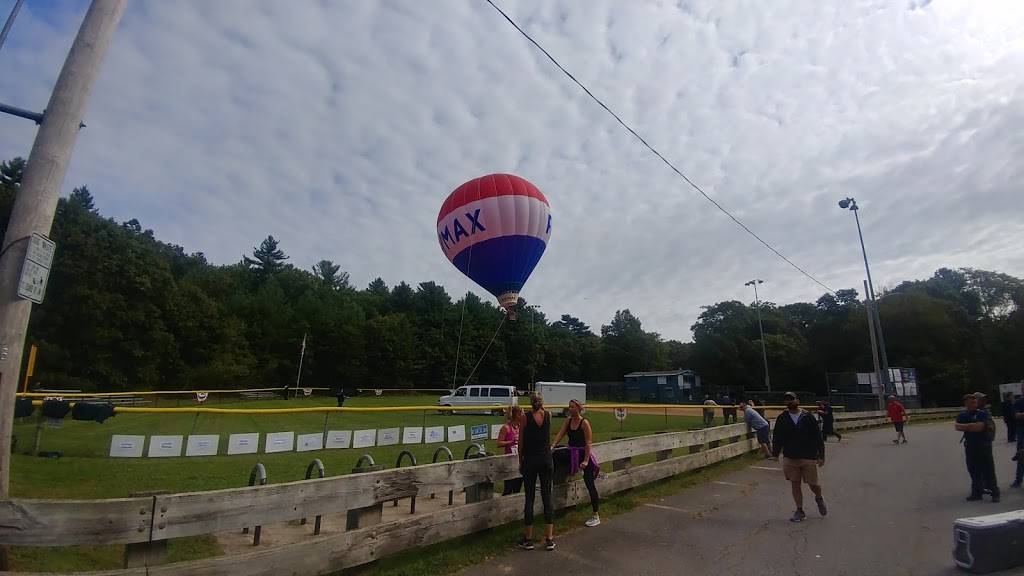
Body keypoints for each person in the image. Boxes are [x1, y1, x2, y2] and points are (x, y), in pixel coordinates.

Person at [772, 391, 827, 522]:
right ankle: (799, 510)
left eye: (791, 399)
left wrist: (821, 455)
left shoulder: (807, 417)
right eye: (786, 400)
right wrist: (775, 453)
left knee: (813, 484)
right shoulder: (782, 418)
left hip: (808, 455)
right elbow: (777, 437)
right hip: (790, 456)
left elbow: (817, 437)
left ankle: (819, 497)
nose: (789, 402)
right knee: (795, 483)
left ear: (798, 401)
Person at [553, 399, 600, 527]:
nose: (570, 409)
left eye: (572, 407)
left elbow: (588, 442)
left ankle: (595, 514)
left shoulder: (584, 423)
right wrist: (552, 445)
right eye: (569, 407)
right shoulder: (568, 421)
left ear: (578, 408)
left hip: (582, 453)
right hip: (571, 452)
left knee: (589, 483)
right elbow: (560, 434)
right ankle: (552, 478)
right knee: (556, 453)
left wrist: (585, 460)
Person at [518, 393, 555, 551]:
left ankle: (528, 538)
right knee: (547, 496)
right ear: (542, 403)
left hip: (530, 460)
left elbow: (521, 442)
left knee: (530, 497)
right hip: (546, 459)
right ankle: (549, 537)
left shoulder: (525, 418)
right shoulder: (548, 415)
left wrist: (520, 459)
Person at [955, 393, 999, 502]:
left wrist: (968, 426)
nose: (974, 404)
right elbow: (957, 426)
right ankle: (977, 492)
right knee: (974, 470)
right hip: (970, 446)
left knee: (988, 470)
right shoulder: (962, 415)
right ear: (966, 403)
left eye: (975, 402)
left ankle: (995, 493)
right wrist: (971, 426)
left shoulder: (982, 413)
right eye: (971, 402)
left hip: (984, 445)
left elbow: (979, 427)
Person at [498, 405, 524, 495]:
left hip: (520, 460)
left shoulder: (521, 427)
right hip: (509, 461)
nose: (523, 415)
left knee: (517, 487)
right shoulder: (506, 428)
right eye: (522, 413)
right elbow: (499, 443)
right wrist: (510, 442)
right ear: (517, 415)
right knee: (508, 488)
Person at [1013, 393, 1024, 488]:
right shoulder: (1019, 402)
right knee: (1021, 456)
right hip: (1022, 433)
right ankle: (1018, 479)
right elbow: (1017, 415)